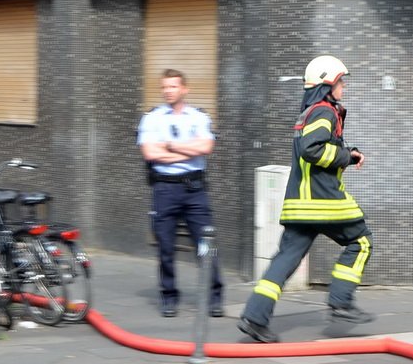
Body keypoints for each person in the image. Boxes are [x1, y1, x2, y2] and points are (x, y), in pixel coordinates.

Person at [238, 55, 374, 343]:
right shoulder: (324, 111)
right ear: (328, 84)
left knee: (285, 259)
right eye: (340, 82)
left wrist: (347, 152)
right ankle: (341, 302)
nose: (343, 87)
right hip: (322, 201)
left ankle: (255, 316)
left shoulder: (310, 112)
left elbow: (316, 145)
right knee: (360, 242)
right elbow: (312, 150)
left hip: (300, 204)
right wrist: (346, 157)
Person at [138, 68, 223, 318]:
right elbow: (150, 154)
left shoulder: (198, 117)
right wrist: (188, 150)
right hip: (164, 189)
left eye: (173, 86)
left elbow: (206, 147)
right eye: (165, 87)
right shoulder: (151, 118)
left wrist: (171, 146)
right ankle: (168, 297)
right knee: (165, 247)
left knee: (206, 246)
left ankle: (215, 297)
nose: (168, 91)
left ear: (184, 89)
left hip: (194, 189)